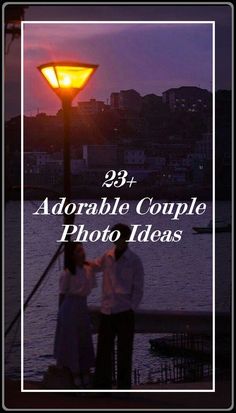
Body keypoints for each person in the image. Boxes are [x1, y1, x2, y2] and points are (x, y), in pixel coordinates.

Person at [92, 223, 144, 390]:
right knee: (103, 351)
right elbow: (94, 266)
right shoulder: (107, 256)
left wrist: (131, 307)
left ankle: (123, 387)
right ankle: (102, 385)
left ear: (126, 238)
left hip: (124, 311)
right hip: (107, 310)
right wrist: (77, 261)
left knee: (124, 351)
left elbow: (138, 287)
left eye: (117, 236)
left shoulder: (134, 260)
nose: (114, 239)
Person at [53, 242, 96, 389]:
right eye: (78, 251)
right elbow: (62, 294)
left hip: (82, 306)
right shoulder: (67, 273)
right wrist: (60, 314)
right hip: (70, 306)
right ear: (72, 255)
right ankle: (76, 373)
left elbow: (89, 288)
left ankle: (85, 370)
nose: (82, 253)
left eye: (82, 250)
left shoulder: (88, 270)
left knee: (83, 339)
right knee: (71, 341)